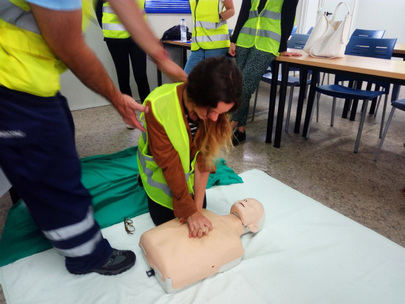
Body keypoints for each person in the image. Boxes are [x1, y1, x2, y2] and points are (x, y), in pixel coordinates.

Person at [0, 0, 186, 276]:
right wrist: (117, 99)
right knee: (54, 169)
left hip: (31, 79)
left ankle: (34, 198)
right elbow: (70, 48)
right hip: (12, 85)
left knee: (53, 143)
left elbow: (124, 4)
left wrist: (160, 56)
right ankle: (85, 254)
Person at [137, 57, 242, 238]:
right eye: (211, 111)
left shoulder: (213, 111)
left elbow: (204, 159)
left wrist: (197, 210)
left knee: (200, 213)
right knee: (169, 222)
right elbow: (169, 163)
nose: (215, 119)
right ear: (196, 96)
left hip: (185, 176)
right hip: (161, 176)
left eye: (221, 113)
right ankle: (143, 181)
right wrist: (189, 211)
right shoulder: (157, 106)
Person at [139, 198, 265, 293]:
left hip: (166, 265)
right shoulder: (204, 212)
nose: (246, 201)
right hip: (155, 242)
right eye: (246, 199)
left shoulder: (235, 247)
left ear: (253, 227)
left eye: (252, 206)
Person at [228, 0, 301, 146]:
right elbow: (244, 12)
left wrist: (282, 48)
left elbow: (288, 17)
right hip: (245, 39)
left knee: (246, 84)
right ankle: (241, 131)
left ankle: (230, 126)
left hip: (267, 44)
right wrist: (234, 39)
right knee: (238, 86)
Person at [96, 0, 151, 130]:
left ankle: (149, 114)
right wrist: (106, 29)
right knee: (123, 75)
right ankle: (129, 115)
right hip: (114, 37)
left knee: (141, 74)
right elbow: (98, 9)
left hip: (137, 35)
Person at [184, 0, 235, 74]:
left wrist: (219, 17)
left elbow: (231, 10)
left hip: (216, 45)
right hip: (197, 45)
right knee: (186, 78)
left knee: (214, 82)